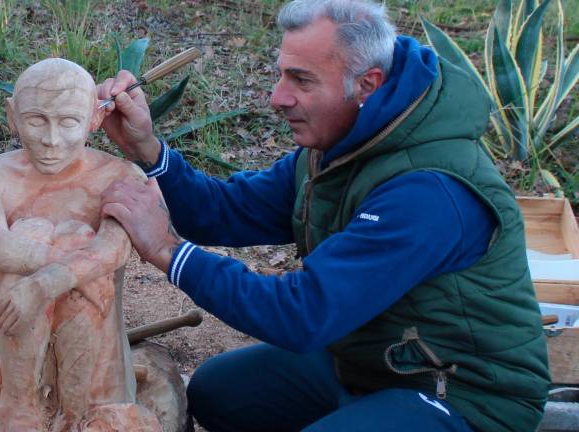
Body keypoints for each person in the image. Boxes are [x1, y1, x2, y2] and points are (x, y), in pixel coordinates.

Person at [98, 0, 550, 431]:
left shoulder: (427, 190)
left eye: (301, 80)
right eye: (280, 75)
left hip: (460, 391)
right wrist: (148, 149)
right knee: (220, 393)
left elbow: (302, 314)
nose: (278, 97)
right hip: (373, 358)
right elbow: (225, 212)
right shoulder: (343, 144)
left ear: (367, 84)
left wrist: (166, 249)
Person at [0, 58, 160, 431]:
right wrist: (79, 268)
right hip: (0, 363)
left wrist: (43, 284)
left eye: (68, 122)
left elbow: (114, 249)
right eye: (36, 120)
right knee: (33, 235)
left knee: (76, 236)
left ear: (95, 119)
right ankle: (18, 403)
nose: (52, 140)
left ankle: (76, 414)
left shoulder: (118, 175)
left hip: (98, 373)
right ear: (12, 116)